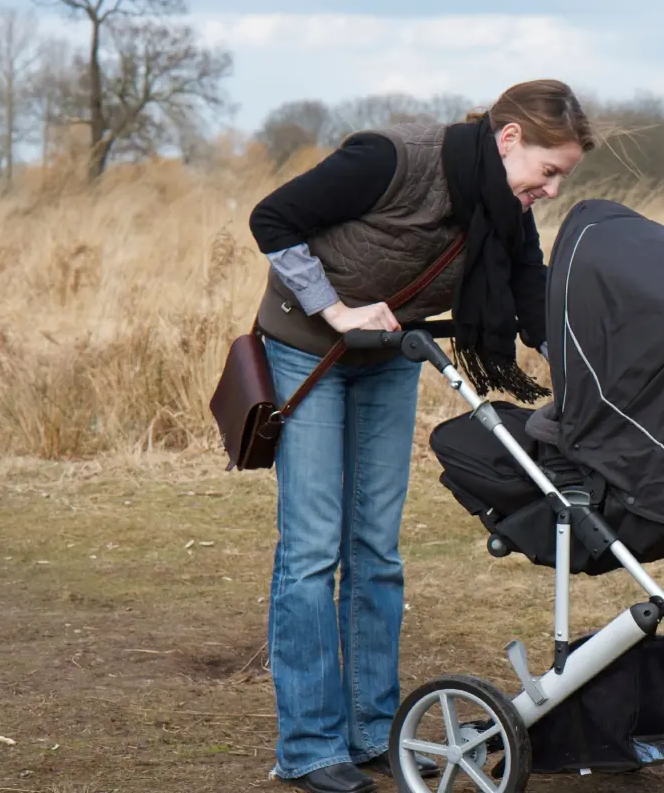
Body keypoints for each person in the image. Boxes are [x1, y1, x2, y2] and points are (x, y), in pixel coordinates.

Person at [245, 79, 596, 793]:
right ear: (507, 140)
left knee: (375, 547)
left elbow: (532, 295)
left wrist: (586, 370)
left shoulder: (505, 208)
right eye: (548, 170)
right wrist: (335, 309)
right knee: (313, 549)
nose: (552, 189)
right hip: (304, 350)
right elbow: (271, 220)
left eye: (562, 177)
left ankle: (373, 732)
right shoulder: (391, 159)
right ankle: (310, 748)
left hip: (388, 359)